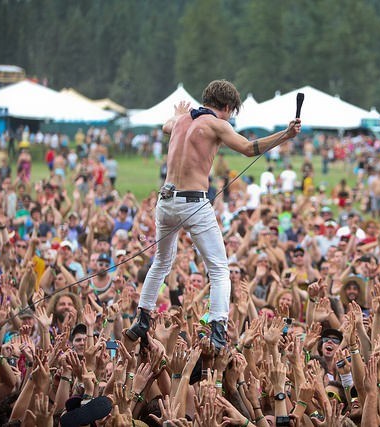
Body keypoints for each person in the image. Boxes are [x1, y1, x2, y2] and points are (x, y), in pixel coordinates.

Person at [126, 79, 301, 350]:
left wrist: (176, 113)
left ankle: (142, 318)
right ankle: (218, 330)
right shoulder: (218, 124)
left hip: (166, 201)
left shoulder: (182, 120)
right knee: (219, 269)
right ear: (229, 107)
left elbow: (165, 126)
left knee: (161, 262)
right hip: (193, 203)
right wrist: (284, 136)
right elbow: (247, 148)